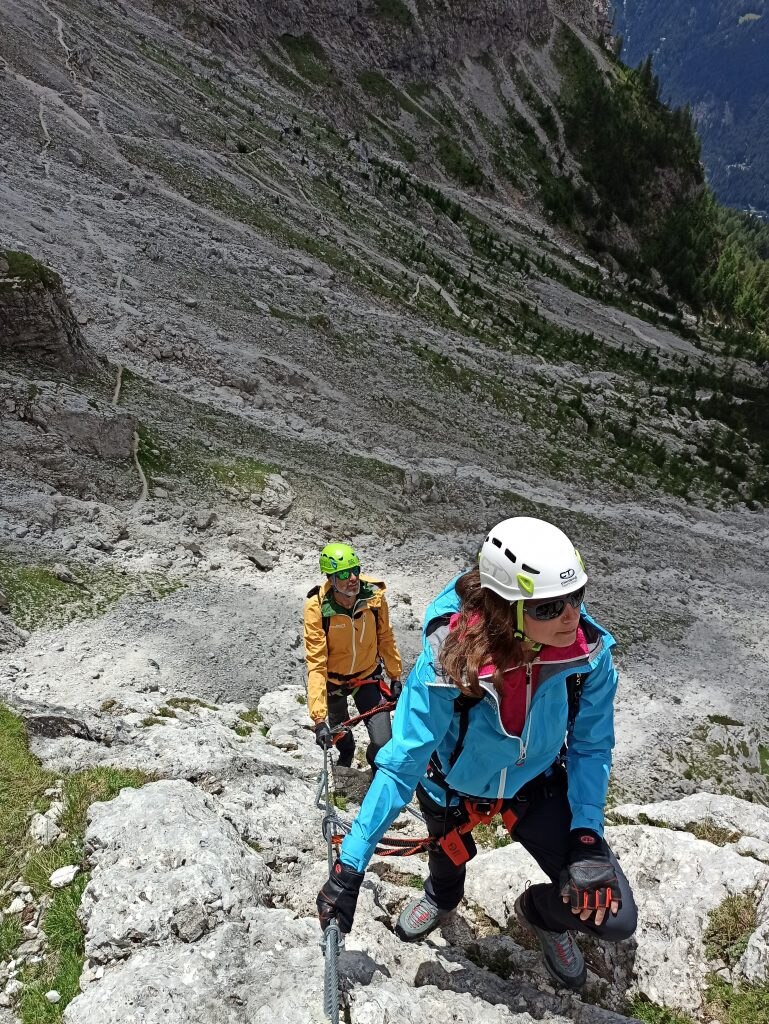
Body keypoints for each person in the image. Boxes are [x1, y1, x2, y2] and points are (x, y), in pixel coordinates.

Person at [317, 517, 637, 990]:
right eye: (549, 606)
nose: (572, 617)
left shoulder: (586, 653)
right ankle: (442, 897)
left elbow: (591, 745)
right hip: (448, 786)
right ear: (508, 610)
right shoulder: (450, 656)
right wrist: (351, 865)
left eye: (577, 596)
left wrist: (587, 833)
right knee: (447, 874)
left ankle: (541, 915)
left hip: (535, 783)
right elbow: (402, 761)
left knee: (614, 917)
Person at [304, 542, 403, 771]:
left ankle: (373, 764)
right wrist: (319, 720)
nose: (353, 578)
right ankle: (347, 751)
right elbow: (317, 664)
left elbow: (385, 637)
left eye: (355, 570)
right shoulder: (317, 607)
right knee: (338, 732)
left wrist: (395, 676)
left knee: (382, 741)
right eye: (344, 573)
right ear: (331, 578)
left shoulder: (374, 599)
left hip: (367, 677)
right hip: (333, 682)